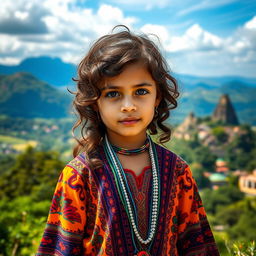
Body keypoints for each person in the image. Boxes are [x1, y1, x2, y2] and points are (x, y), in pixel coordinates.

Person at [37, 26, 219, 256]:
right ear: (95, 103)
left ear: (157, 97)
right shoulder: (79, 176)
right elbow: (60, 249)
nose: (129, 105)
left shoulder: (177, 170)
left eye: (141, 91)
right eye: (113, 94)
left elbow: (198, 247)